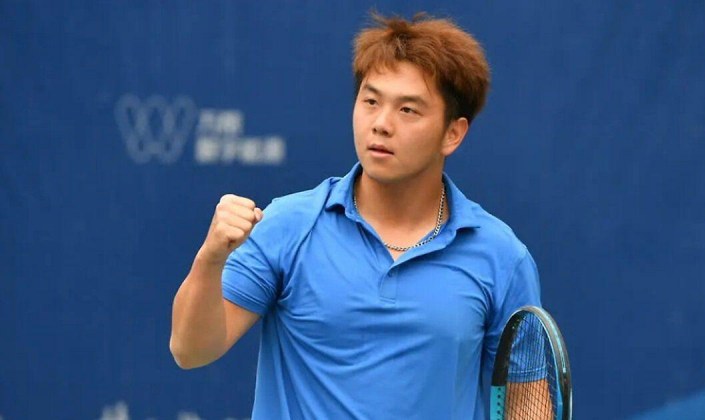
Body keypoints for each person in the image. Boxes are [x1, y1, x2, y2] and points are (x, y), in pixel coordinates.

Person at [170, 12, 543, 419]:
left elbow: (528, 403)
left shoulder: (502, 258)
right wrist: (210, 260)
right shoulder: (287, 225)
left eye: (408, 110)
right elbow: (190, 350)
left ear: (452, 133)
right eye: (370, 101)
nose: (381, 124)